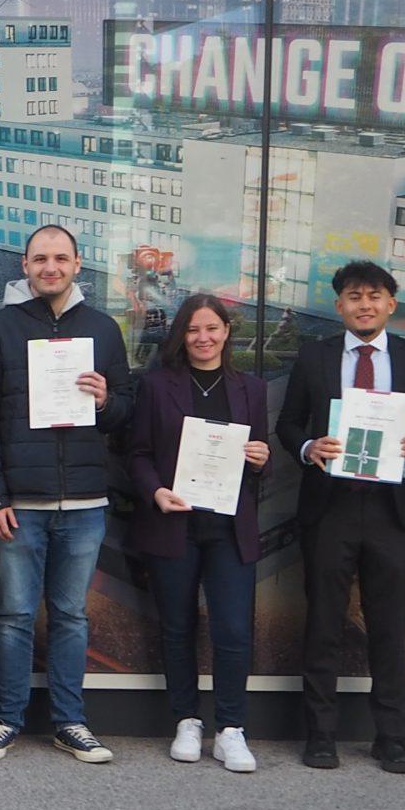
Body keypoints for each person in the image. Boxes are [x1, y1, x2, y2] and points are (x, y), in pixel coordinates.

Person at [0, 224, 133, 765]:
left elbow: (126, 413)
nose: (50, 267)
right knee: (13, 615)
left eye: (60, 258)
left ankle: (70, 722)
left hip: (83, 503)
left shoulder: (103, 331)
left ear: (78, 264)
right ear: (26, 267)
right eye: (40, 259)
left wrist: (107, 402)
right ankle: (4, 720)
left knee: (71, 616)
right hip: (20, 506)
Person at [275, 260, 405, 773]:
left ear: (391, 304)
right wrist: (309, 445)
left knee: (388, 625)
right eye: (354, 296)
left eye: (375, 296)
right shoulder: (315, 356)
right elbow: (289, 423)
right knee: (324, 623)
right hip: (329, 507)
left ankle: (392, 736)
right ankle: (321, 734)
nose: (365, 304)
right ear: (340, 306)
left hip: (393, 509)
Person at [126, 294, 271, 772]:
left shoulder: (251, 388)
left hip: (230, 527)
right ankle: (186, 719)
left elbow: (259, 460)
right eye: (193, 330)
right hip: (174, 522)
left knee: (233, 629)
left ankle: (231, 728)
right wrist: (156, 492)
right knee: (177, 628)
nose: (203, 338)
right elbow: (138, 454)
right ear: (180, 336)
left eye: (212, 328)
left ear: (227, 332)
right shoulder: (155, 386)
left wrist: (260, 459)